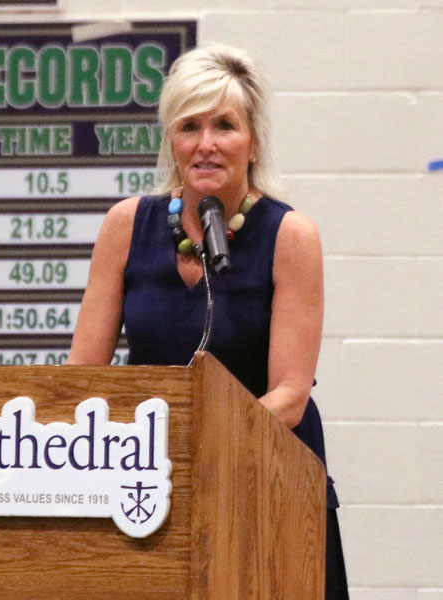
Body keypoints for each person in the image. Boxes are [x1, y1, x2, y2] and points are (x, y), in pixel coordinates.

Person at [67, 44, 348, 598]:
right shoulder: (126, 225)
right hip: (152, 481)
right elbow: (81, 376)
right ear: (172, 143)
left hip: (267, 476)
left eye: (225, 125)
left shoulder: (291, 236)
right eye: (189, 126)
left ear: (254, 141)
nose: (207, 144)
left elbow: (289, 395)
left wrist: (192, 446)